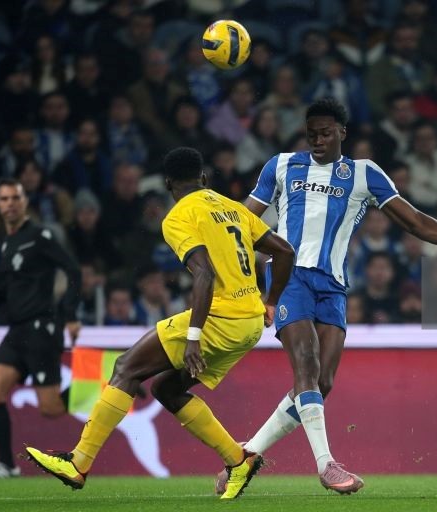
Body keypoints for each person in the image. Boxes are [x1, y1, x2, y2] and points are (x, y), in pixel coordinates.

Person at [216, 98, 437, 494]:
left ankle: (247, 454)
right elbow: (244, 219)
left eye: (325, 133)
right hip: (289, 276)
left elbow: (413, 220)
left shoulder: (364, 174)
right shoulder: (280, 165)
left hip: (332, 285)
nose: (317, 140)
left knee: (321, 383)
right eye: (311, 133)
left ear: (342, 133)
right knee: (307, 366)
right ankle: (326, 465)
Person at [24, 147, 295, 500]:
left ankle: (78, 462)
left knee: (126, 367)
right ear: (204, 178)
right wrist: (270, 301)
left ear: (168, 183)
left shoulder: (178, 216)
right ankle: (238, 460)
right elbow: (285, 251)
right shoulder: (233, 208)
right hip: (248, 324)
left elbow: (204, 275)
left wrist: (194, 337)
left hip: (218, 318)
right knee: (166, 389)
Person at [0, 177, 82, 478]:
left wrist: (69, 314)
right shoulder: (6, 242)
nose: (10, 204)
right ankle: (6, 465)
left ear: (25, 202)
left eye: (15, 198)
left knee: (51, 409)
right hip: (17, 332)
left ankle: (102, 379)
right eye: (4, 199)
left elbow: (73, 269)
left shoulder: (40, 236)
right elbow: (9, 289)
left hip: (41, 328)